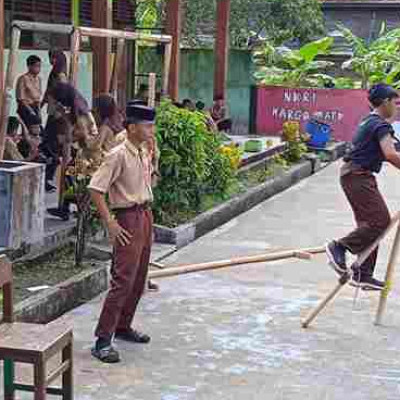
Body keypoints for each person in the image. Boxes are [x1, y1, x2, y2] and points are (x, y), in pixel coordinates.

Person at [88, 103, 156, 363]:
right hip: (127, 219)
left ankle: (123, 326)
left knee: (139, 279)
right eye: (147, 126)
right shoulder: (117, 154)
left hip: (144, 215)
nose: (151, 130)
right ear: (132, 127)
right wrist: (111, 223)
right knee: (122, 280)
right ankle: (103, 340)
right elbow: (96, 189)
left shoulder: (142, 151)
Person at [326, 84, 400, 291]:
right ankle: (338, 247)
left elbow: (394, 147)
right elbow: (391, 154)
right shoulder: (380, 125)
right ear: (385, 102)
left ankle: (363, 273)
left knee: (369, 226)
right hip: (358, 177)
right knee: (379, 222)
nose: (397, 108)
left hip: (354, 176)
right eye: (395, 103)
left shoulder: (370, 121)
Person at [40, 50, 68, 192]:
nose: (51, 61)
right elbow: (48, 92)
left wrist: (60, 109)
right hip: (52, 113)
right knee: (46, 144)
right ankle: (46, 177)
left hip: (57, 115)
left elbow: (65, 93)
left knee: (53, 146)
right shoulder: (54, 73)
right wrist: (41, 104)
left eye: (52, 58)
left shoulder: (61, 75)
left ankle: (48, 178)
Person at [16, 55, 42, 137]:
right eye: (36, 66)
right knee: (28, 131)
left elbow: (38, 98)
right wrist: (31, 111)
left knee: (38, 130)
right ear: (29, 66)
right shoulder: (23, 79)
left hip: (35, 106)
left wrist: (38, 111)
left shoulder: (39, 79)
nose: (38, 69)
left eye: (39, 66)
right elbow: (20, 98)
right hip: (25, 107)